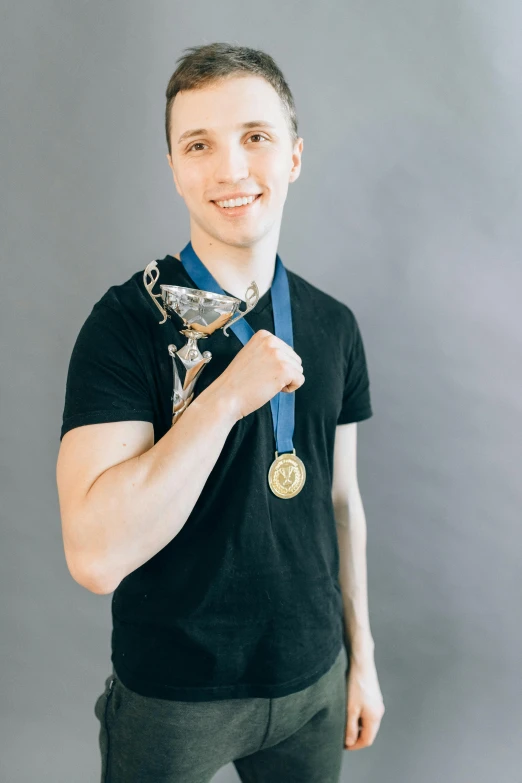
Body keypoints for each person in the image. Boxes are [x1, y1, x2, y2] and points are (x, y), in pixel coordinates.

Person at [56, 42, 385, 783]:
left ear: (294, 156)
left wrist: (360, 659)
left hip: (313, 684)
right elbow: (95, 556)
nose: (231, 168)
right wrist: (229, 394)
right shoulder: (124, 323)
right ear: (173, 168)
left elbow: (341, 501)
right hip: (175, 693)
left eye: (255, 138)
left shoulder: (332, 324)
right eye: (199, 144)